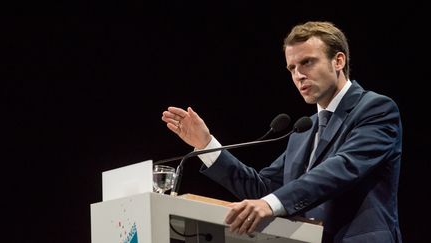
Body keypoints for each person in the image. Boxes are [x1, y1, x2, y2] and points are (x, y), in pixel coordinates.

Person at [161, 21, 402, 242]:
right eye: (291, 68)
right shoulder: (303, 132)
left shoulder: (376, 109)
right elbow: (263, 189)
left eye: (307, 62)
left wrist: (270, 204)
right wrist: (206, 145)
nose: (298, 75)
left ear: (338, 61)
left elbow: (343, 167)